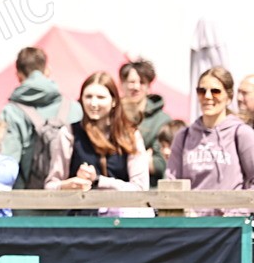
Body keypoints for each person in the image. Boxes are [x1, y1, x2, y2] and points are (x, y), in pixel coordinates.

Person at [44, 72, 150, 217]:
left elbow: (140, 188)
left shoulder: (130, 135)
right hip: (82, 223)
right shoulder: (69, 133)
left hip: (124, 224)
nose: (93, 103)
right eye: (88, 97)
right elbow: (50, 186)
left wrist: (99, 181)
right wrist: (67, 185)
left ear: (114, 101)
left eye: (100, 97)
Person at [167, 66, 254, 215]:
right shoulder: (183, 136)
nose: (207, 96)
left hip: (230, 228)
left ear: (229, 97)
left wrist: (237, 212)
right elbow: (171, 183)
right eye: (202, 91)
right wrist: (184, 211)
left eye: (215, 91)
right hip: (190, 227)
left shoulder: (242, 133)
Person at [0, 47, 82, 188]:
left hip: (26, 204)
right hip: (70, 200)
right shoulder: (74, 107)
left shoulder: (11, 112)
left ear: (18, 75)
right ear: (47, 70)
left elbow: (7, 164)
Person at [118, 59, 171, 183]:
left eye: (142, 82)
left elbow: (160, 164)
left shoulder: (162, 120)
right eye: (131, 82)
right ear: (122, 84)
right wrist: (142, 158)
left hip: (148, 192)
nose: (136, 87)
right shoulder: (111, 116)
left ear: (148, 87)